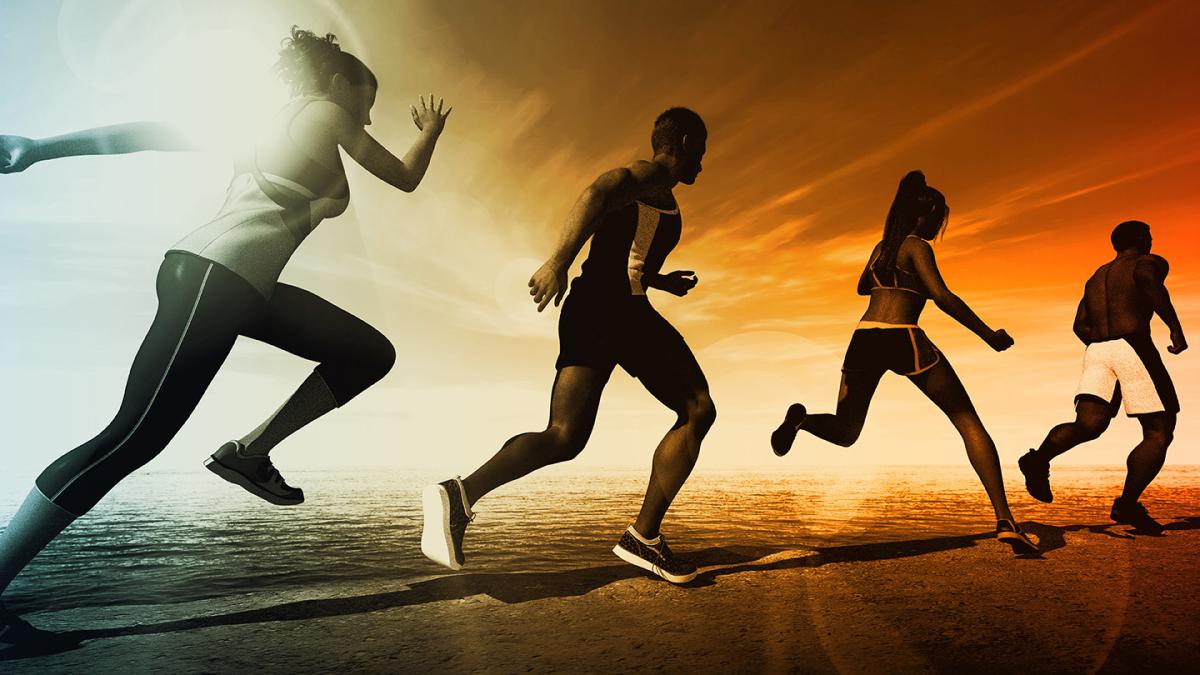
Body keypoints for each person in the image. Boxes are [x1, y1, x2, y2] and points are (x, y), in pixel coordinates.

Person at [0, 27, 451, 645]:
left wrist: (40, 149)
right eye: (366, 103)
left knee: (368, 352)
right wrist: (429, 134)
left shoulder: (268, 121)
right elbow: (402, 176)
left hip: (242, 289)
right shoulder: (325, 110)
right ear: (339, 85)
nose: (367, 118)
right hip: (216, 280)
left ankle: (249, 451)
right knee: (130, 439)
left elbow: (155, 133)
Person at [421, 108, 714, 584]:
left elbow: (623, 255)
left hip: (602, 307)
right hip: (613, 310)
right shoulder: (651, 174)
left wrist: (662, 280)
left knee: (564, 436)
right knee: (697, 408)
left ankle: (460, 495)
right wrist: (557, 261)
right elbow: (599, 190)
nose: (703, 162)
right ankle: (644, 538)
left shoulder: (660, 194)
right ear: (682, 141)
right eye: (700, 150)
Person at [770, 170, 1038, 555]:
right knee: (967, 422)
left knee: (846, 431)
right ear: (924, 213)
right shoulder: (917, 246)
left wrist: (893, 274)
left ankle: (802, 421)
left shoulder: (882, 247)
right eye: (939, 217)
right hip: (903, 336)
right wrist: (988, 335)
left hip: (864, 337)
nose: (939, 225)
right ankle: (1005, 520)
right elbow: (942, 296)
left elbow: (863, 285)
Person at [1018, 220, 1185, 533]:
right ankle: (1127, 504)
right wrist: (1174, 327)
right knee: (1159, 430)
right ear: (1139, 239)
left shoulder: (1095, 278)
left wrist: (1106, 351)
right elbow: (1149, 281)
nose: (1151, 240)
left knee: (1089, 425)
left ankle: (1038, 459)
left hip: (1097, 350)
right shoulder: (1147, 262)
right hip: (1133, 344)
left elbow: (1080, 324)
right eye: (1148, 235)